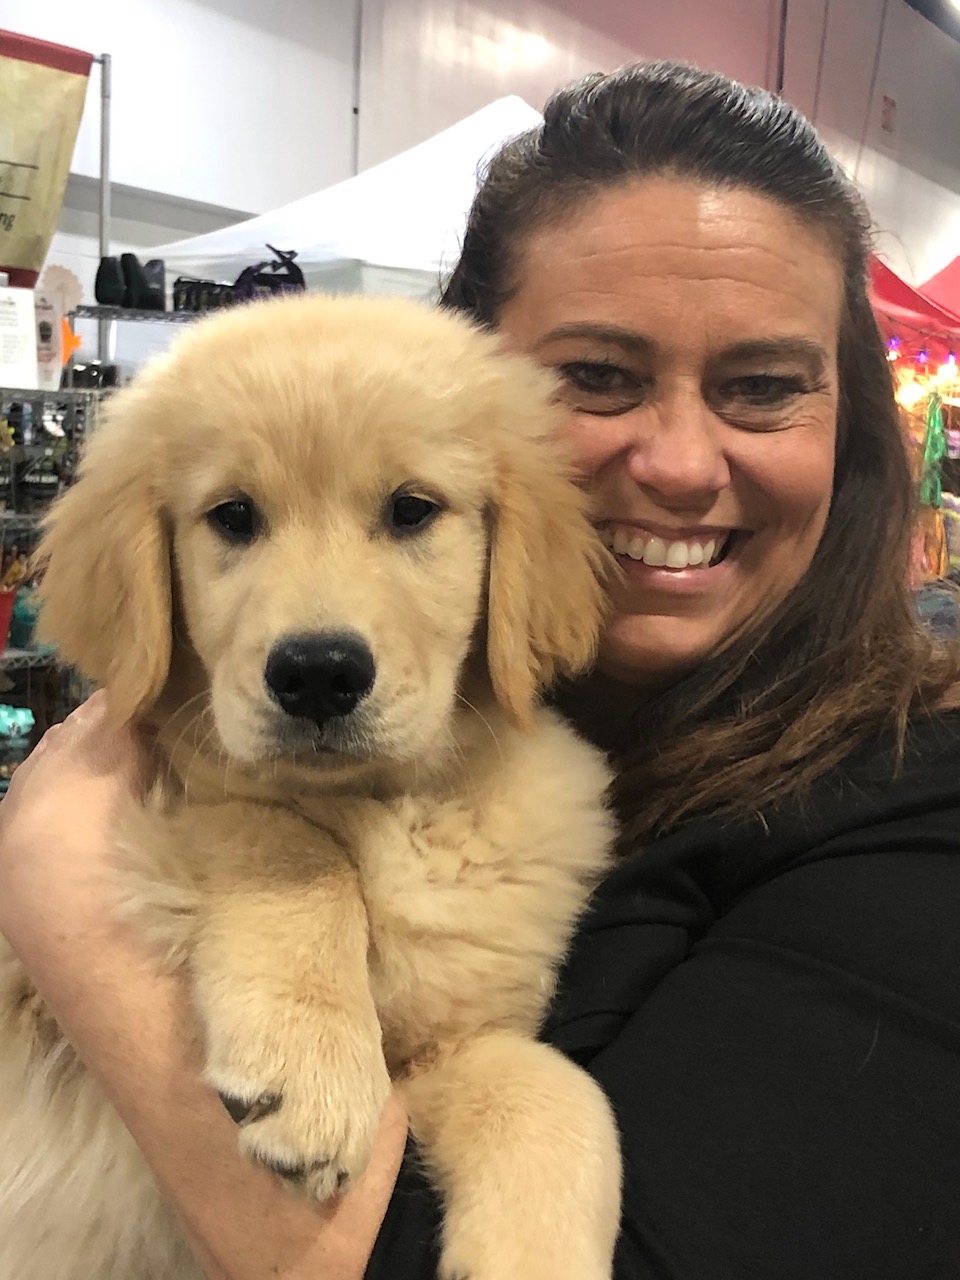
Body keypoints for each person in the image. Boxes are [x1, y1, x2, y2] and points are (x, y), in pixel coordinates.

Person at [3, 59, 960, 1279]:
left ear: (852, 425)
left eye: (762, 387)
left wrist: (66, 892)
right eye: (599, 376)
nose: (676, 461)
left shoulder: (915, 816)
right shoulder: (542, 740)